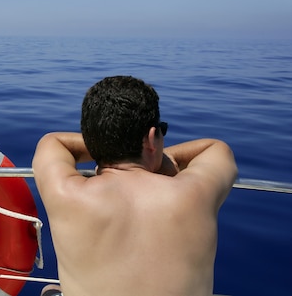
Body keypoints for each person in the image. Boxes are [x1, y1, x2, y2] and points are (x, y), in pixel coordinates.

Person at [32, 76, 237, 296]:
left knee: (50, 290)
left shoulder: (66, 192)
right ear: (151, 137)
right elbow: (217, 149)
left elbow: (51, 141)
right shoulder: (195, 193)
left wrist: (106, 142)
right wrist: (162, 157)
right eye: (162, 130)